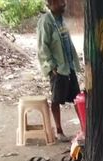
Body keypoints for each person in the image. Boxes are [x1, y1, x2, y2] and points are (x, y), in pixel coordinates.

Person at [37, 0, 81, 142]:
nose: (63, 4)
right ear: (49, 5)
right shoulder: (46, 22)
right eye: (58, 2)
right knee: (56, 99)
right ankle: (59, 131)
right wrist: (51, 66)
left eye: (63, 1)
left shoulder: (61, 20)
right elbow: (42, 47)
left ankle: (84, 128)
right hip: (58, 69)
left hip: (68, 66)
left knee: (77, 98)